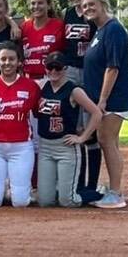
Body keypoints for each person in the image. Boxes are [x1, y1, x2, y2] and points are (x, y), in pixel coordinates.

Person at [82, 0, 128, 210]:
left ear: (104, 5)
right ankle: (114, 188)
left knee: (106, 140)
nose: (87, 9)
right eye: (85, 6)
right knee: (109, 141)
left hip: (114, 98)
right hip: (103, 99)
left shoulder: (113, 30)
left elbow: (112, 68)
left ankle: (115, 193)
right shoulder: (100, 30)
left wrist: (103, 100)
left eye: (92, 4)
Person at [0, 42, 40, 207]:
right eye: (3, 59)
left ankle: (14, 185)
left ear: (19, 62)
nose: (7, 63)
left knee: (20, 202)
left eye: (11, 59)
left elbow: (40, 112)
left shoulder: (31, 86)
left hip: (21, 147)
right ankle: (1, 185)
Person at [36, 52, 103, 207]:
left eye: (58, 68)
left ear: (65, 68)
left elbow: (97, 113)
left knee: (68, 201)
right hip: (45, 147)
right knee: (45, 201)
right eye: (50, 67)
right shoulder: (41, 86)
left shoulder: (74, 90)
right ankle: (66, 189)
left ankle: (99, 193)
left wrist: (83, 137)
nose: (53, 71)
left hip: (65, 147)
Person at [64, 0, 102, 197]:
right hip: (70, 71)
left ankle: (92, 185)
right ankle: (76, 182)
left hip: (88, 72)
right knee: (73, 126)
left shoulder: (93, 16)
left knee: (90, 130)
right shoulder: (67, 14)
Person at [21, 0, 65, 80]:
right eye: (33, 3)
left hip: (51, 79)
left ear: (48, 6)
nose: (36, 6)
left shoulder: (59, 25)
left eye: (40, 3)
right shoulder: (24, 27)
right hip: (28, 79)